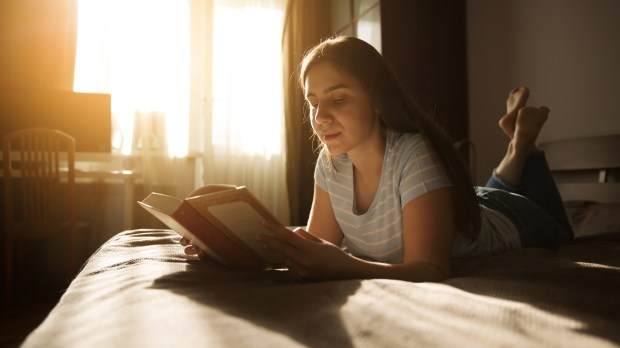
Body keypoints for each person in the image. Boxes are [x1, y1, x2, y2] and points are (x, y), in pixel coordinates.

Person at [183, 36, 573, 282]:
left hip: (514, 217)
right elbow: (316, 248)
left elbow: (431, 269)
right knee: (481, 192)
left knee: (562, 226)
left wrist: (345, 265)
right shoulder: (331, 164)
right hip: (467, 202)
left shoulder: (413, 153)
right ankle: (518, 144)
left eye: (338, 99)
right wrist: (227, 245)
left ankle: (524, 145)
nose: (319, 118)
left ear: (377, 99)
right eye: (313, 102)